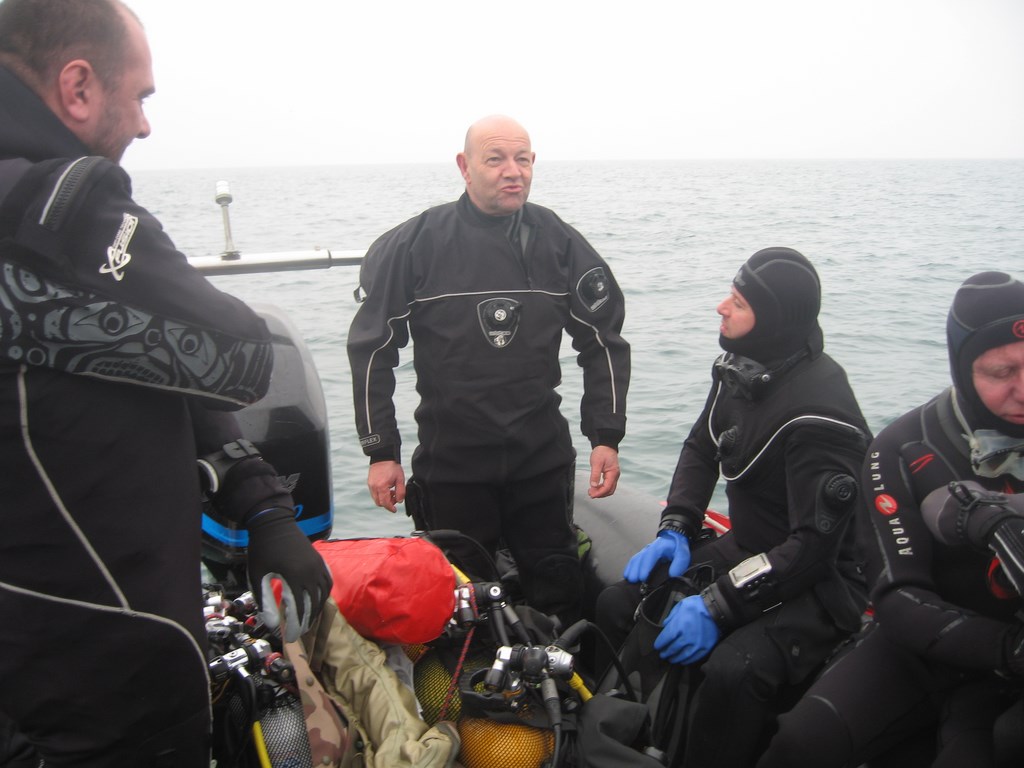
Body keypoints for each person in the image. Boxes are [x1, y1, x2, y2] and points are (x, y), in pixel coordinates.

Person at [0, 1, 330, 765]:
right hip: (101, 682)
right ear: (78, 87)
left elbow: (137, 362)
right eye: (140, 96)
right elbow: (238, 357)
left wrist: (259, 502)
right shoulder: (52, 209)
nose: (146, 126)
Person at [347, 114, 630, 623]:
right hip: (452, 461)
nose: (512, 171)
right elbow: (373, 348)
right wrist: (381, 452)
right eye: (495, 159)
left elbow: (603, 340)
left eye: (522, 159)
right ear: (465, 166)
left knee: (557, 586)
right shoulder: (417, 243)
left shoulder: (559, 242)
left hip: (540, 457)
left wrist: (605, 436)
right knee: (459, 603)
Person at [596, 247, 871, 767]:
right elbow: (702, 446)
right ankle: (618, 734)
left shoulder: (821, 417)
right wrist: (676, 526)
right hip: (751, 545)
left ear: (773, 319)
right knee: (619, 602)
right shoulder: (743, 369)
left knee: (733, 670)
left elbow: (813, 549)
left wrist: (718, 605)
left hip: (823, 581)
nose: (721, 307)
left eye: (739, 303)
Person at [759, 271, 1024, 768]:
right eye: (1000, 372)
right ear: (962, 368)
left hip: (1008, 680)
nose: (1023, 389)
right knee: (801, 742)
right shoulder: (902, 448)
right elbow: (897, 597)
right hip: (929, 646)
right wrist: (1010, 648)